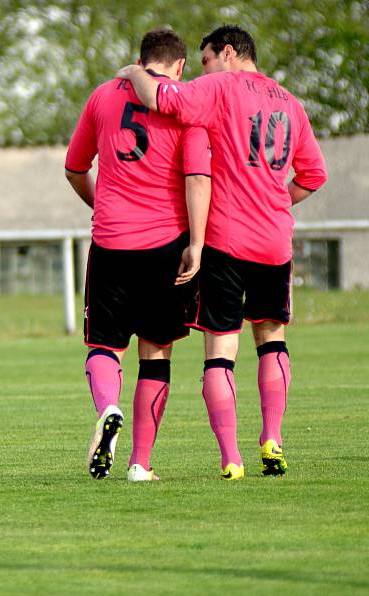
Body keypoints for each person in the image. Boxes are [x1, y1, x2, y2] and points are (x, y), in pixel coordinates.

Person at [116, 25, 327, 479]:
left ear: (227, 52)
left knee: (220, 351)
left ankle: (231, 458)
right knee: (272, 339)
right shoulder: (291, 103)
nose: (202, 68)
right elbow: (313, 175)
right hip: (275, 238)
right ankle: (272, 436)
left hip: (227, 239)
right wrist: (274, 200)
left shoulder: (218, 87)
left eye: (207, 58)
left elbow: (162, 98)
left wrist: (134, 72)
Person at [65, 29, 211, 481]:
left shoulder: (103, 96)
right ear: (180, 66)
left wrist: (103, 205)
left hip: (111, 243)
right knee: (157, 353)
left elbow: (74, 167)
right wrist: (196, 244)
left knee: (104, 346)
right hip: (166, 246)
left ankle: (108, 407)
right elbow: (196, 178)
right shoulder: (186, 105)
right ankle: (139, 464)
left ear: (141, 58)